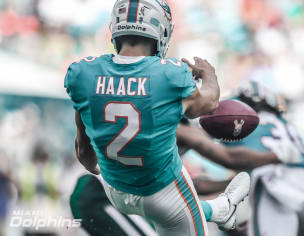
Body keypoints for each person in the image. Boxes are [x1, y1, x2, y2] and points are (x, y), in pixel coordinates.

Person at [64, 0, 250, 235]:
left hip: (115, 191)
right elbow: (210, 103)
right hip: (164, 192)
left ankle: (218, 209)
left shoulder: (83, 74)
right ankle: (220, 209)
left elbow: (84, 154)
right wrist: (209, 74)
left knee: (178, 211)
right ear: (160, 31)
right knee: (179, 208)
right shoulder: (170, 73)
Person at [178, 81, 304, 236]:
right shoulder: (284, 124)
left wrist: (273, 158)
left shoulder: (241, 121)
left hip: (274, 188)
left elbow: (231, 158)